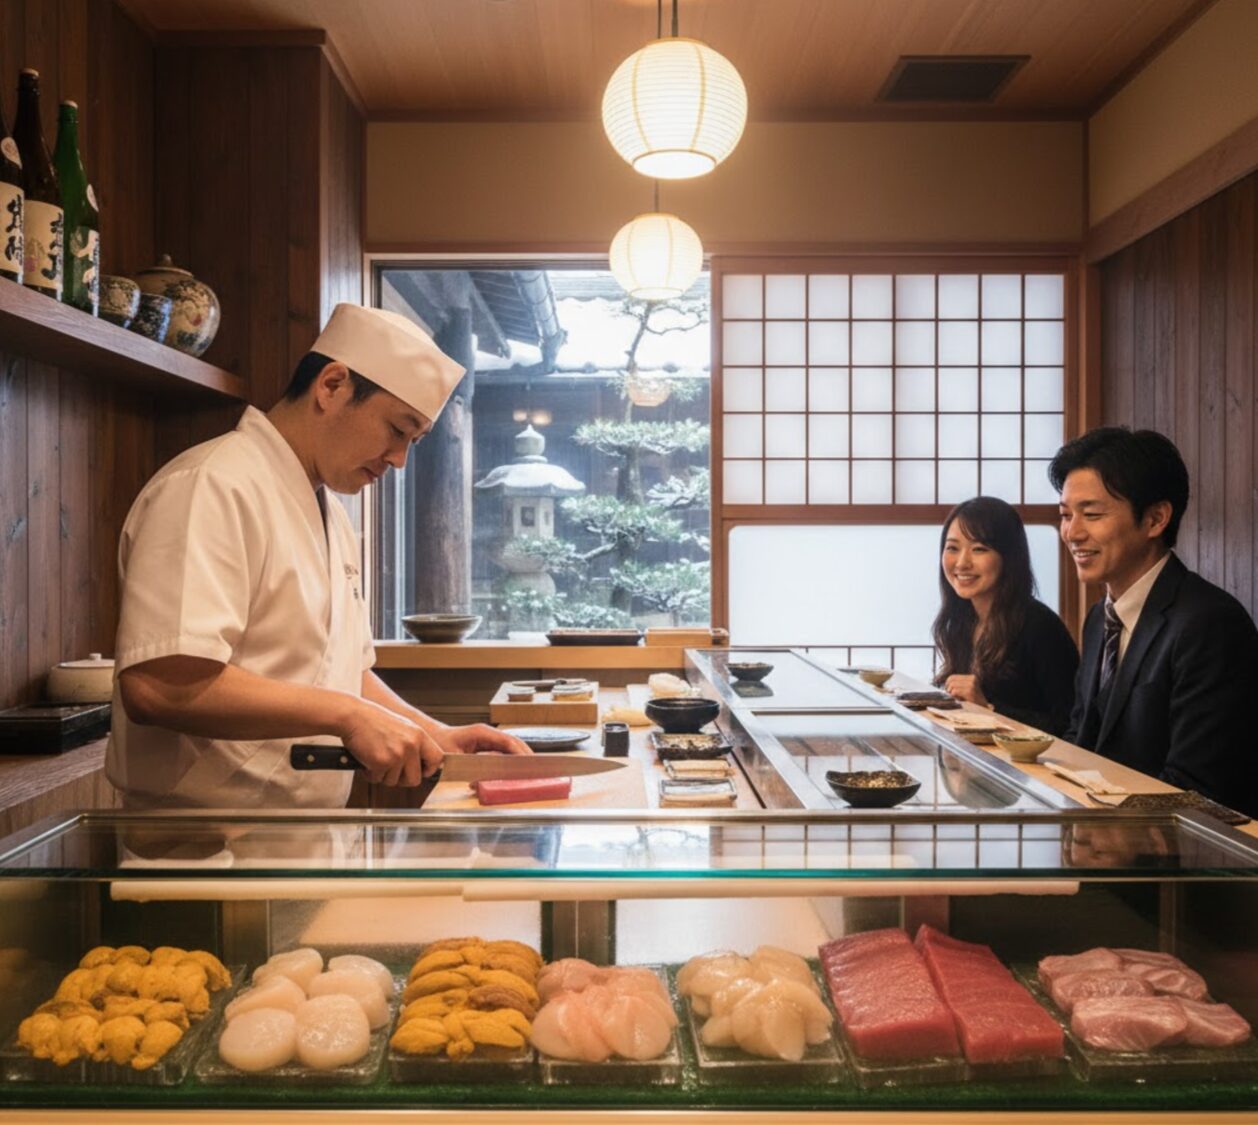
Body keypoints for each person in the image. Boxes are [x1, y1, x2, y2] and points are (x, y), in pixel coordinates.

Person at [107, 303, 530, 810]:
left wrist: (434, 733)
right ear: (331, 386)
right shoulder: (210, 485)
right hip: (205, 844)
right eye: (397, 430)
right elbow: (160, 684)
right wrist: (346, 716)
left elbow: (336, 669)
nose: (399, 460)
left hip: (303, 838)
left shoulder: (329, 510)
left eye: (414, 441)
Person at [1051, 426, 1258, 816]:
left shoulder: (1209, 623)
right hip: (1102, 836)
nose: (1072, 532)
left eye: (1091, 514)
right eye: (1065, 515)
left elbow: (1198, 788)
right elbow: (1079, 739)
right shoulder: (1100, 617)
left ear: (1155, 519)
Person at [933, 496, 1078, 735]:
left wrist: (988, 708)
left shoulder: (1040, 627)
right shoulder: (961, 621)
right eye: (952, 548)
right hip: (981, 762)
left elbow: (1070, 727)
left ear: (1009, 557)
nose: (961, 562)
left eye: (979, 549)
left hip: (1029, 769)